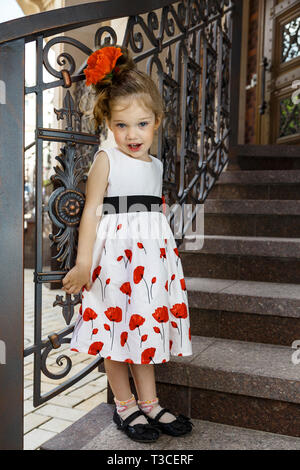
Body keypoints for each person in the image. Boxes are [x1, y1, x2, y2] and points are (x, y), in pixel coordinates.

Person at [62, 45, 193, 443]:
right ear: (107, 124)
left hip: (150, 265)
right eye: (121, 125)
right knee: (118, 334)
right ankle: (125, 405)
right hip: (116, 265)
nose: (132, 135)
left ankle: (150, 402)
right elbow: (91, 213)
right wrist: (84, 264)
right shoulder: (107, 159)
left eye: (141, 124)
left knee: (143, 331)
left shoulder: (155, 165)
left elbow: (154, 216)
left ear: (157, 122)